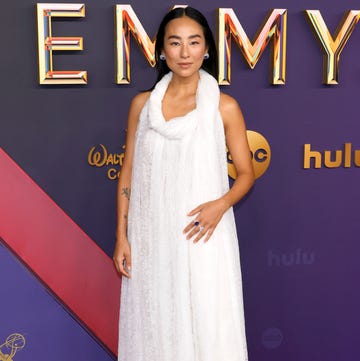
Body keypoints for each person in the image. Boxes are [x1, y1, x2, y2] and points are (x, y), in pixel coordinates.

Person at [113, 6, 255, 361]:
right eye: (175, 43)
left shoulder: (224, 107)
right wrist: (122, 235)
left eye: (194, 42)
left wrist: (219, 206)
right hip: (152, 239)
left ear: (206, 49)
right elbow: (127, 171)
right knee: (154, 326)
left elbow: (247, 173)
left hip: (203, 234)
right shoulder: (142, 106)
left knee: (207, 326)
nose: (185, 52)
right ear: (162, 49)